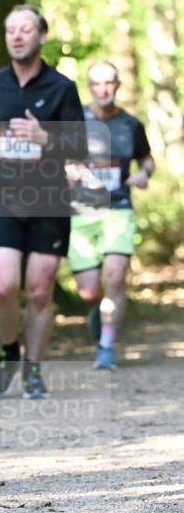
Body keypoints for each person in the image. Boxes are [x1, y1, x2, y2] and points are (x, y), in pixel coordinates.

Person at [0, 5, 86, 399]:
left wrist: (46, 138)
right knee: (2, 287)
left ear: (42, 36)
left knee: (38, 291)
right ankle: (8, 353)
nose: (17, 36)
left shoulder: (62, 87)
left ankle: (33, 368)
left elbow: (80, 146)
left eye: (26, 29)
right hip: (2, 200)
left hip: (49, 201)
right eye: (11, 30)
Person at [67, 60, 154, 370]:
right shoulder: (76, 120)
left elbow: (147, 159)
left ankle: (106, 346)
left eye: (109, 83)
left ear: (117, 86)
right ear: (89, 87)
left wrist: (144, 173)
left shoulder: (131, 124)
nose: (103, 89)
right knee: (90, 288)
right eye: (96, 84)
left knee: (115, 276)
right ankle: (101, 306)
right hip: (81, 211)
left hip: (119, 208)